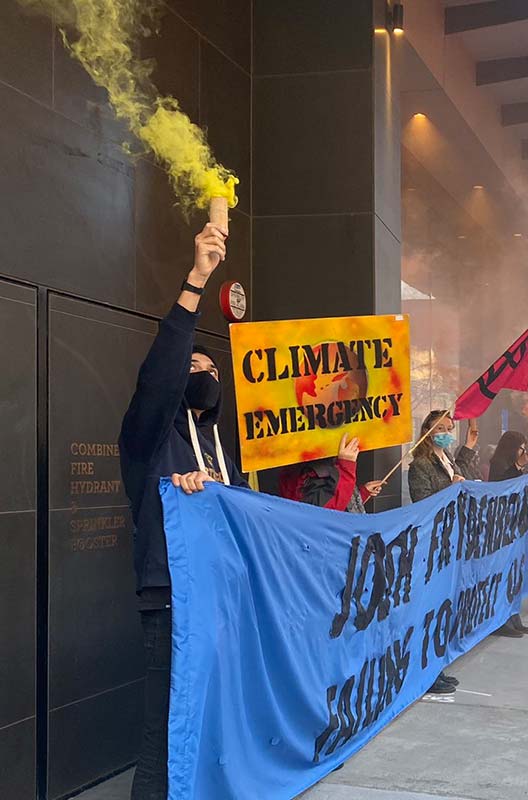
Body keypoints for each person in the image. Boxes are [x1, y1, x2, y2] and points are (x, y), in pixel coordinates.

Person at [118, 222, 250, 799]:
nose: (206, 377)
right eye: (195, 371)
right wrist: (197, 280)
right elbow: (161, 375)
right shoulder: (150, 439)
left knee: (209, 724)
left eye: (212, 372)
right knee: (162, 736)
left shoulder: (224, 450)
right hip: (172, 600)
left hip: (220, 599)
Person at [405, 410, 478, 693]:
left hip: (450, 538)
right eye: (442, 428)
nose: (447, 432)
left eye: (450, 427)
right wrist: (451, 488)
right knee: (431, 607)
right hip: (433, 542)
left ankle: (437, 665)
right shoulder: (420, 465)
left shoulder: (446, 459)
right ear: (428, 430)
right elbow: (421, 501)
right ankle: (427, 671)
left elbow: (467, 475)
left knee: (444, 606)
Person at [489, 431, 528, 634]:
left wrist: (524, 473)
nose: (523, 452)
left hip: (514, 523)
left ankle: (512, 613)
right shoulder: (498, 463)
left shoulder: (511, 464)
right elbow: (501, 485)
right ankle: (501, 619)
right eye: (520, 447)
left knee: (514, 571)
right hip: (501, 524)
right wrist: (519, 467)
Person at [278, 433, 384, 512]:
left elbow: (336, 505)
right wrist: (346, 469)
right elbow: (326, 513)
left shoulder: (303, 470)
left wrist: (362, 494)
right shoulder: (306, 476)